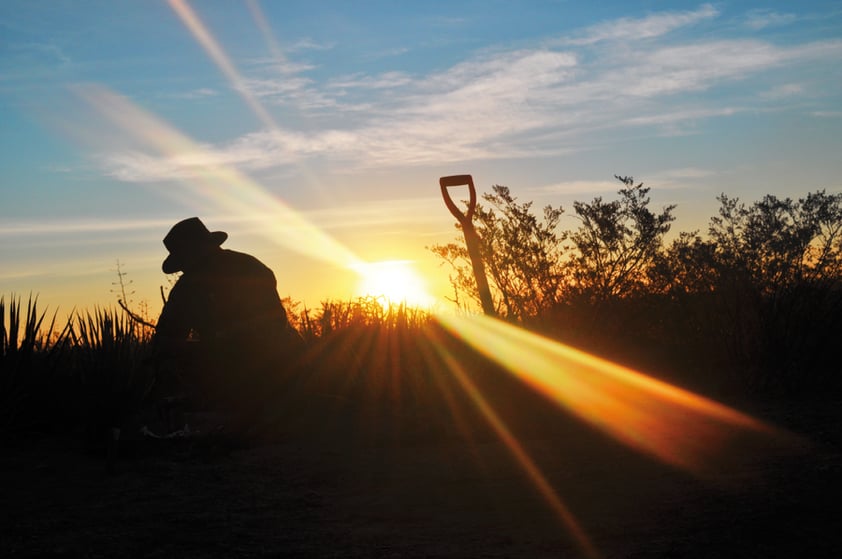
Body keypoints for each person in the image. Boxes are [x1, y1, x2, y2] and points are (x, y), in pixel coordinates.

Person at [152, 217, 303, 424]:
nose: (186, 268)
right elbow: (166, 337)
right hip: (232, 364)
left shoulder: (249, 270)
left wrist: (217, 344)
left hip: (275, 362)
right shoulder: (187, 287)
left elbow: (271, 325)